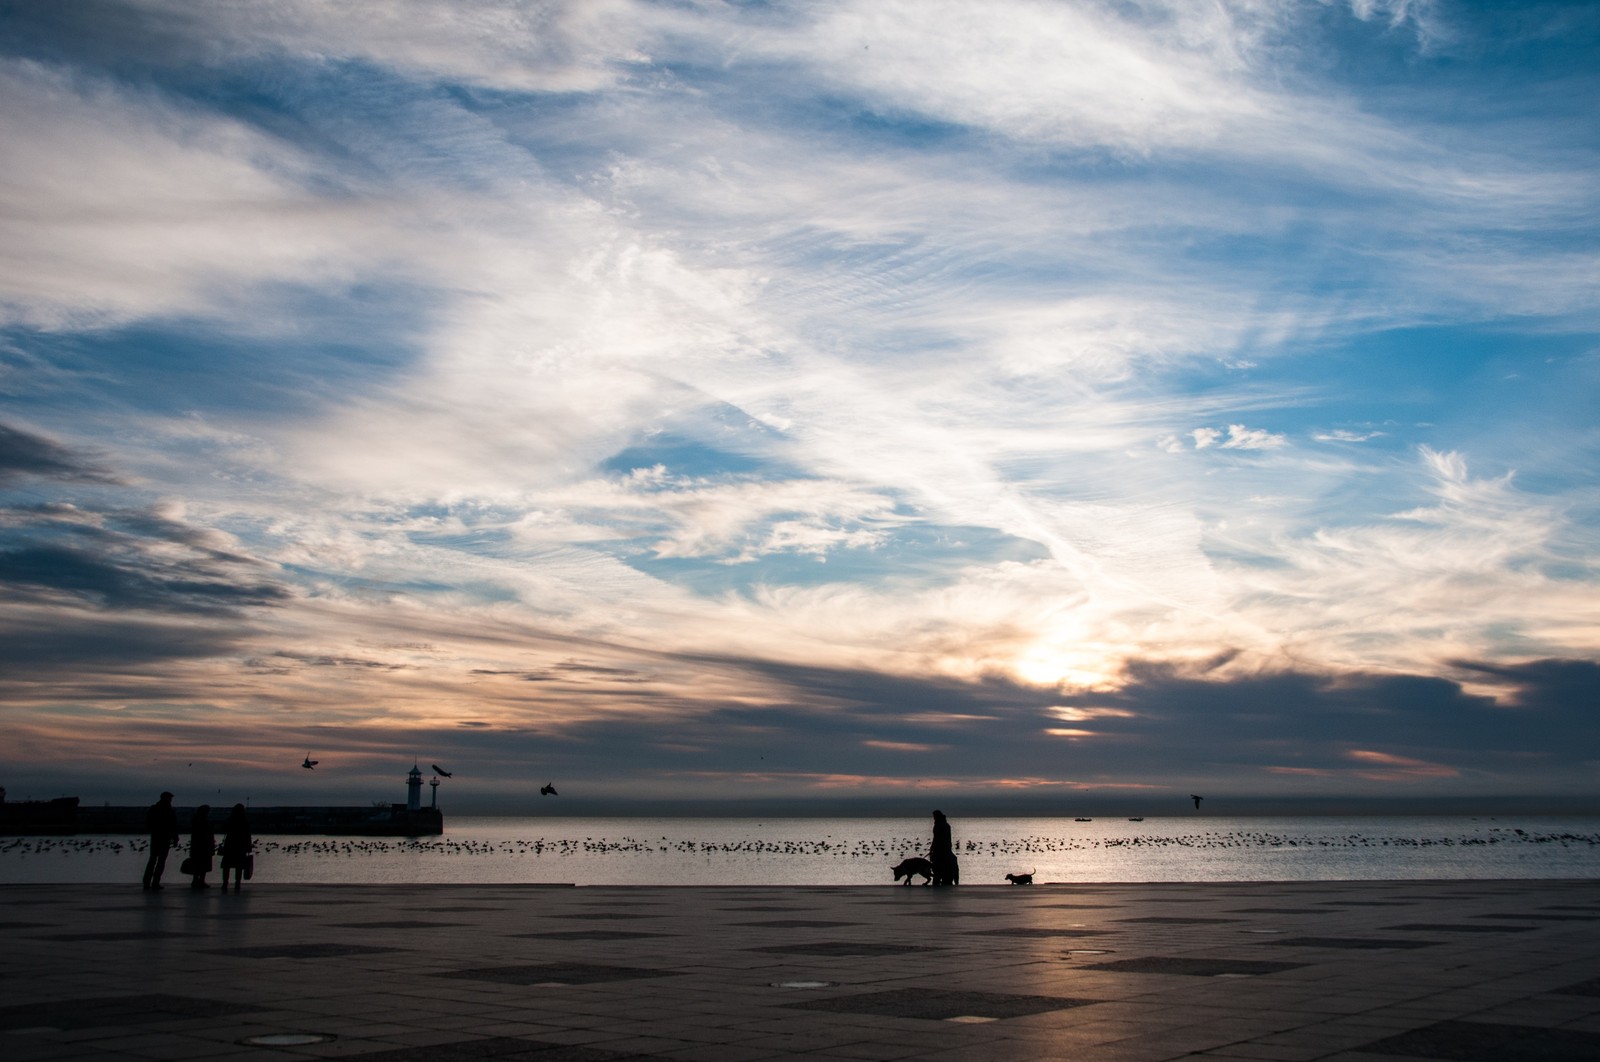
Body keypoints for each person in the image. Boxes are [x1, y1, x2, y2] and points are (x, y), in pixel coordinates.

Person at [142, 791, 180, 890]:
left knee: (152, 860)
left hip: (156, 837)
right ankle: (155, 882)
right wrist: (175, 838)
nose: (171, 800)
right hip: (164, 838)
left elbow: (147, 824)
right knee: (160, 861)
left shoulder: (154, 809)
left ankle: (147, 882)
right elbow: (173, 825)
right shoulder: (169, 810)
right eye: (170, 798)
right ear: (167, 798)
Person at [219, 804, 253, 890]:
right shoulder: (244, 820)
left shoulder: (230, 819)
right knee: (239, 866)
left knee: (227, 866)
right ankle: (237, 882)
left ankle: (225, 883)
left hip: (229, 845)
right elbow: (248, 834)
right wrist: (249, 846)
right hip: (241, 846)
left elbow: (223, 829)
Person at [187, 805, 215, 890]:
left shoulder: (195, 819)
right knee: (203, 863)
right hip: (204, 845)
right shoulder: (203, 820)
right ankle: (200, 881)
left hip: (197, 845)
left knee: (197, 863)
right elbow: (207, 832)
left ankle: (196, 880)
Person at [929, 809, 959, 886]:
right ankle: (952, 880)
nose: (934, 818)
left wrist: (931, 849)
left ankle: (938, 880)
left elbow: (936, 838)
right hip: (947, 848)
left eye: (934, 816)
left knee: (937, 868)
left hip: (940, 849)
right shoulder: (946, 825)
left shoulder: (938, 825)